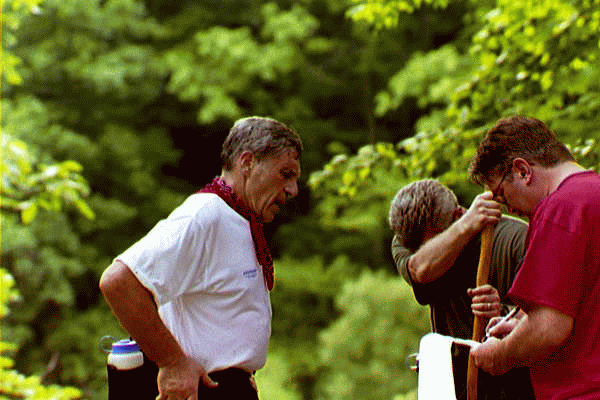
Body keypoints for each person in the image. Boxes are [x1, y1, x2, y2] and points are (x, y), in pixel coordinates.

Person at [99, 116, 303, 400]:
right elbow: (118, 281)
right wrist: (172, 363)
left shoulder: (242, 221)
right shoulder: (205, 215)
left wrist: (240, 373)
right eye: (285, 174)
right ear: (248, 163)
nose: (293, 190)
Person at [469, 115, 600, 399]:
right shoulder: (593, 197)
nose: (510, 210)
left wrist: (499, 355)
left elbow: (549, 329)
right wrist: (519, 326)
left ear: (522, 171)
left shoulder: (561, 210)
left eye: (502, 195)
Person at [389, 179, 534, 399]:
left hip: (514, 388)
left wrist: (502, 313)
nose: (430, 251)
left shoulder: (516, 239)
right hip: (452, 386)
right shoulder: (405, 239)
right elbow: (420, 270)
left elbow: (549, 321)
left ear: (457, 214)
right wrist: (467, 224)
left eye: (435, 242)